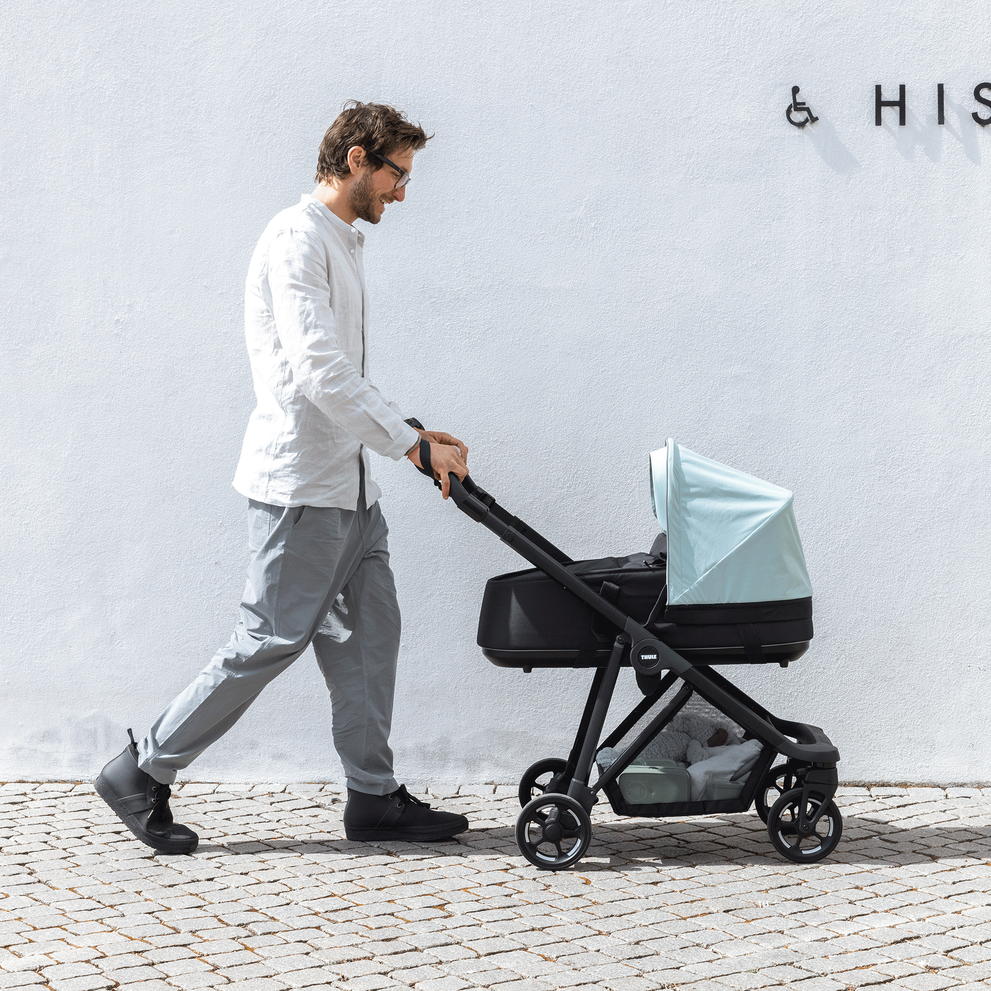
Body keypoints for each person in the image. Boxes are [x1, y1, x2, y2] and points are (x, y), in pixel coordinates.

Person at [94, 102, 471, 854]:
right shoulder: (297, 239)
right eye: (398, 173)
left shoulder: (341, 241)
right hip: (301, 490)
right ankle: (142, 769)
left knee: (370, 637)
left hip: (351, 491)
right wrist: (409, 447)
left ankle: (372, 797)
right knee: (266, 639)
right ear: (359, 158)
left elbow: (344, 378)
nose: (403, 191)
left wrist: (409, 432)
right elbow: (320, 372)